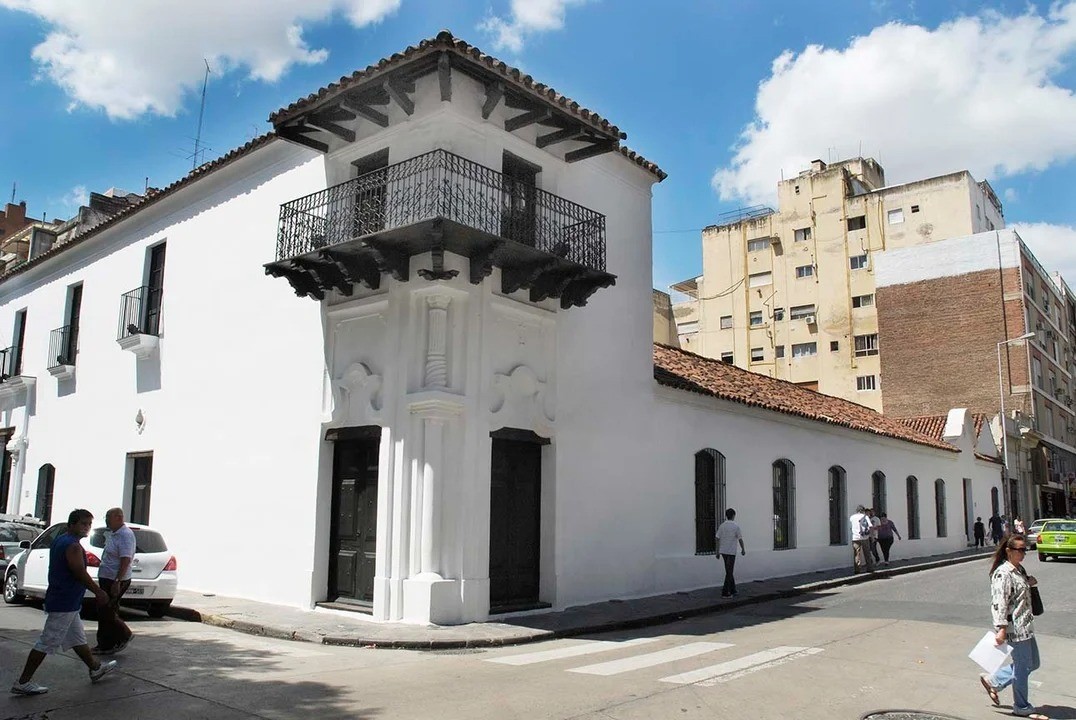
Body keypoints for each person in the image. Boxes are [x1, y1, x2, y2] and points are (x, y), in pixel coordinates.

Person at [10, 509, 118, 696]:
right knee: (47, 641)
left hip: (65, 599)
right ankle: (23, 682)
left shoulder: (61, 540)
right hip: (64, 601)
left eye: (89, 524)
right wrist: (98, 591)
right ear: (72, 524)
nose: (87, 527)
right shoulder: (73, 546)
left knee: (77, 638)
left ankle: (95, 668)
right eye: (83, 523)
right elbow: (79, 572)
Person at [979, 533, 1047, 719]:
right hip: (1014, 629)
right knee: (1022, 667)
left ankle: (993, 681)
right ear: (1009, 551)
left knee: (1033, 663)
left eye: (1025, 549)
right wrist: (1001, 628)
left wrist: (1029, 582)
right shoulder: (1003, 573)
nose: (1023, 553)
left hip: (1026, 625)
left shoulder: (1019, 569)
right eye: (1020, 550)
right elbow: (999, 602)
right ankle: (1021, 706)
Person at [94, 508, 135, 655]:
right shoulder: (114, 533)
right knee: (104, 611)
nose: (106, 520)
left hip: (115, 579)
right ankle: (105, 643)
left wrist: (118, 581)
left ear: (118, 518)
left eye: (108, 517)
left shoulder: (125, 535)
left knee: (107, 610)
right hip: (107, 576)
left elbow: (126, 559)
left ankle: (124, 634)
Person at [715, 508, 746, 598]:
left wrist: (717, 551)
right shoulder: (736, 526)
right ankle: (725, 592)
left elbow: (717, 538)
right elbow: (740, 539)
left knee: (728, 570)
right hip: (731, 552)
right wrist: (743, 549)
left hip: (723, 551)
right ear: (733, 516)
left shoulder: (722, 526)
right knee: (729, 572)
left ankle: (733, 590)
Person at [849, 505, 873, 573]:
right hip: (864, 537)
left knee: (856, 554)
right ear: (862, 511)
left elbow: (850, 527)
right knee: (867, 553)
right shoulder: (865, 516)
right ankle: (869, 568)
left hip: (855, 538)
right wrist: (871, 536)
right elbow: (870, 526)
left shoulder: (852, 517)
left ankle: (857, 569)